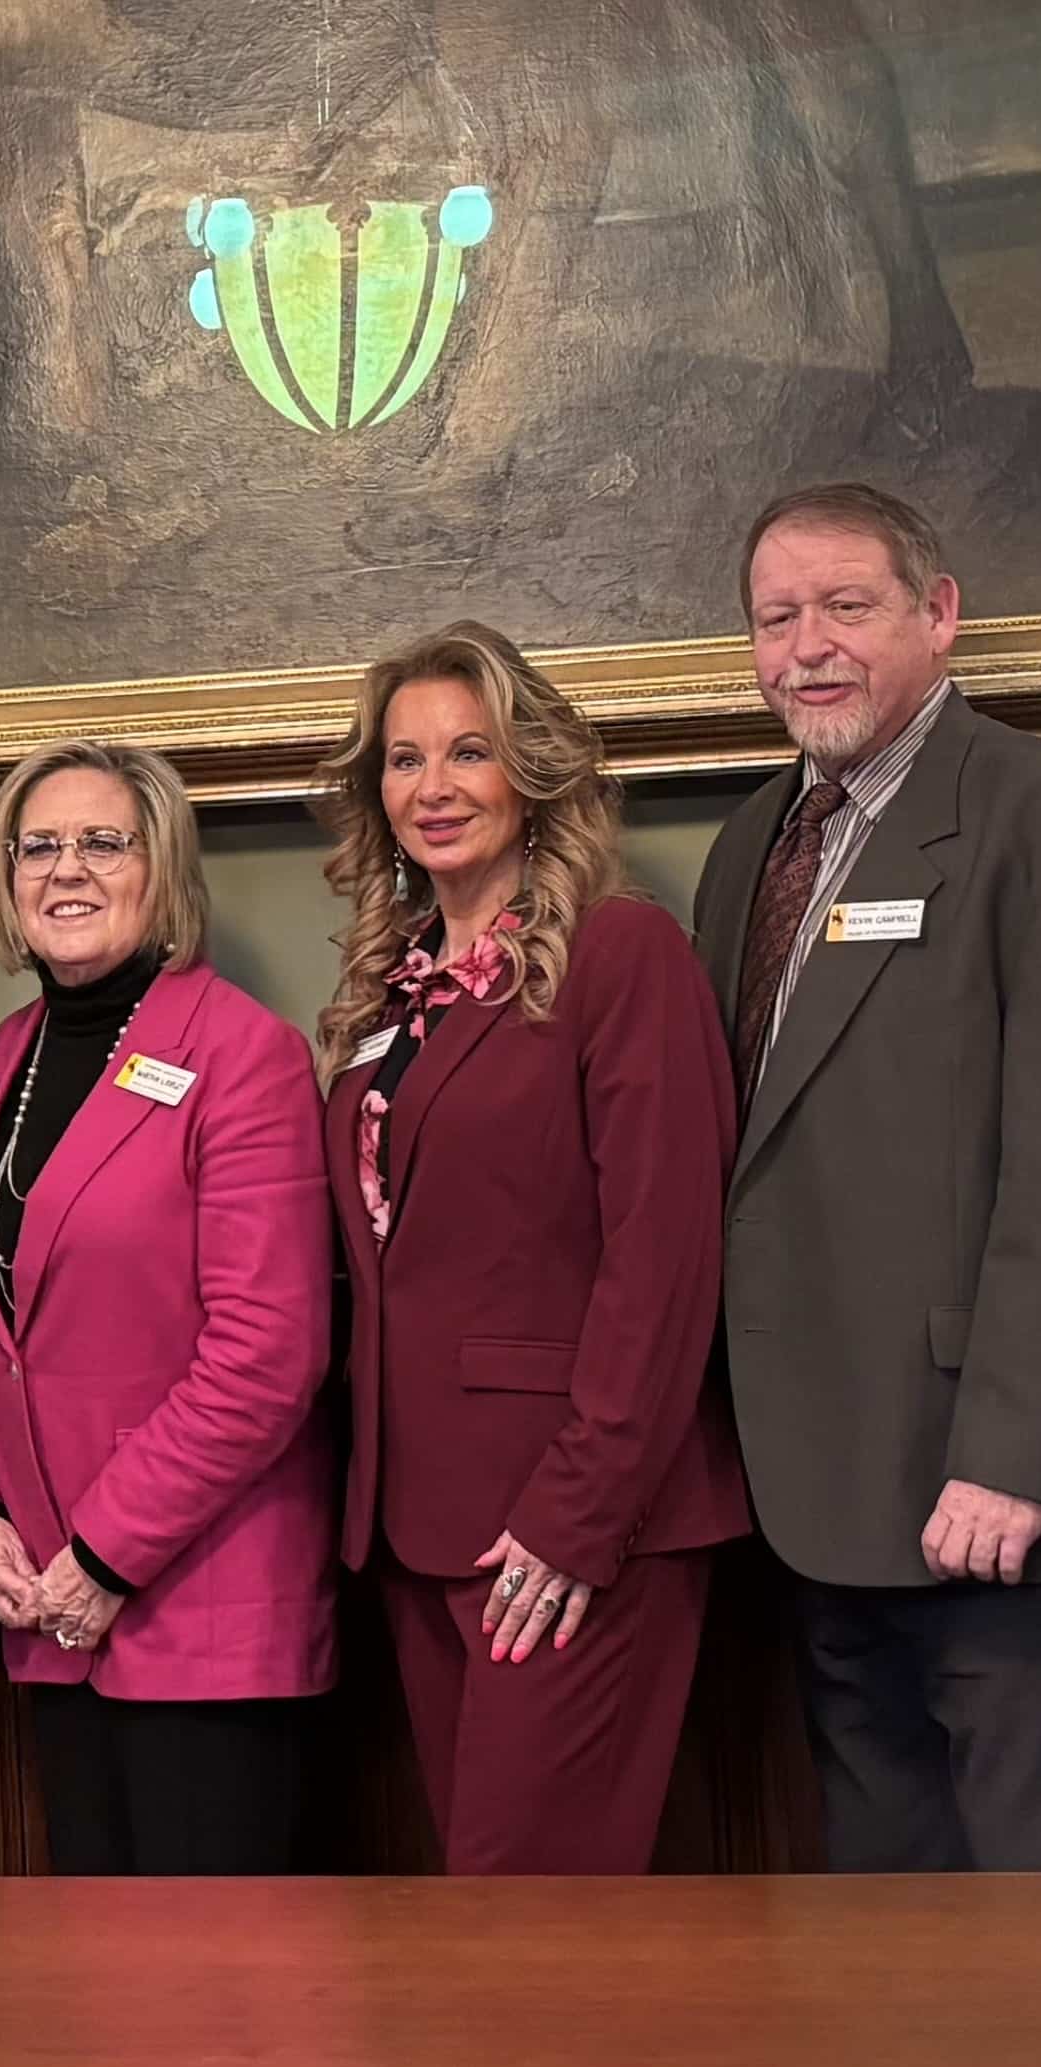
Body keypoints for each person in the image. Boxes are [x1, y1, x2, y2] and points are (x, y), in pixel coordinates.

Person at [693, 482, 1041, 1873]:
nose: (807, 646)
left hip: (994, 1496)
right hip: (816, 1488)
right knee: (892, 1938)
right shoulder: (753, 844)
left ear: (939, 615)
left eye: (846, 607)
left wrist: (1015, 1456)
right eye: (775, 617)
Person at [318, 626, 748, 1875]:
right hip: (414, 1520)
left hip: (566, 1527)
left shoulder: (621, 952)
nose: (433, 786)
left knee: (534, 1914)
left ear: (536, 774)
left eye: (469, 752)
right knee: (486, 1918)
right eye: (403, 760)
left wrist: (578, 1511)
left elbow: (661, 1260)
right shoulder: (393, 988)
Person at [0, 738, 333, 1877]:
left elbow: (266, 1354)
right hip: (48, 1609)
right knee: (98, 2003)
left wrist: (105, 1553)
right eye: (39, 845)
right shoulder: (1, 1058)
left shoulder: (242, 1054)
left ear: (162, 867)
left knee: (217, 2007)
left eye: (103, 843)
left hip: (202, 1605)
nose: (68, 870)